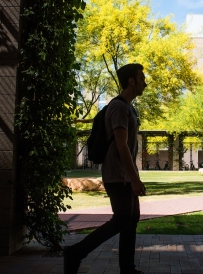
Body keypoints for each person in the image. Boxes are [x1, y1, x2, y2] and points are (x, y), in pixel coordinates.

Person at [64, 63, 147, 274]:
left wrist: (134, 176)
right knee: (121, 219)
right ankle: (75, 253)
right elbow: (121, 146)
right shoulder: (119, 107)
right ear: (131, 81)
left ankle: (127, 268)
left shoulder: (128, 108)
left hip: (125, 175)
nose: (145, 82)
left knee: (131, 219)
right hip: (117, 175)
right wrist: (134, 178)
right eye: (142, 78)